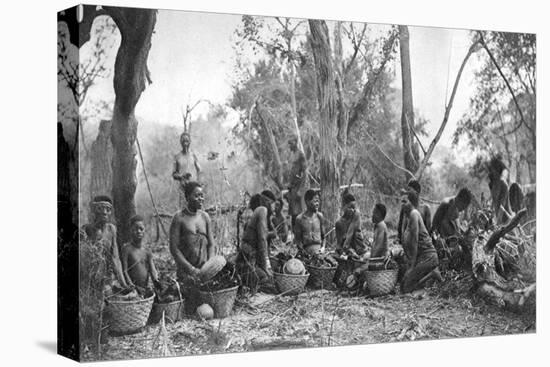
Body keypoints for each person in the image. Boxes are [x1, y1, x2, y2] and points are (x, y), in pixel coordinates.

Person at [169, 182, 217, 312]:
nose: (201, 199)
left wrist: (209, 265)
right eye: (196, 196)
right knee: (192, 307)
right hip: (187, 273)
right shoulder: (179, 218)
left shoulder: (205, 217)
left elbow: (211, 244)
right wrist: (190, 269)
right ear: (187, 197)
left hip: (204, 271)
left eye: (202, 195)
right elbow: (174, 249)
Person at [81, 195, 127, 291]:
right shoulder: (86, 230)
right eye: (100, 209)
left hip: (107, 277)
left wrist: (124, 284)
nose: (104, 212)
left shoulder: (111, 229)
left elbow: (115, 258)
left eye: (108, 209)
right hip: (90, 277)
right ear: (94, 210)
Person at [400, 191, 441, 293]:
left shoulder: (414, 214)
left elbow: (414, 241)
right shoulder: (408, 216)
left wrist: (412, 265)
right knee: (403, 285)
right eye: (401, 201)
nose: (402, 204)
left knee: (406, 288)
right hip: (420, 257)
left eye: (405, 201)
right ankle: (427, 278)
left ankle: (433, 274)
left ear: (411, 202)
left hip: (428, 256)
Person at [237, 192, 276, 292]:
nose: (275, 207)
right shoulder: (262, 210)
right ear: (268, 202)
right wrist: (266, 266)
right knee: (267, 279)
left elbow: (273, 234)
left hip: (255, 259)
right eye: (273, 204)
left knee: (275, 272)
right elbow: (262, 240)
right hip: (247, 261)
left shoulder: (266, 216)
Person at [121, 215, 159, 295]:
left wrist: (156, 281)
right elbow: (124, 271)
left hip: (144, 288)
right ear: (130, 230)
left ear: (144, 230)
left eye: (141, 229)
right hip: (132, 290)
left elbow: (152, 270)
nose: (138, 231)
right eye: (135, 229)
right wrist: (131, 286)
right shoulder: (127, 249)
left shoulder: (147, 250)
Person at [173, 132, 201, 207]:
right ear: (181, 142)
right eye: (183, 141)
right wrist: (182, 176)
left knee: (195, 207)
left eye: (187, 141)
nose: (185, 143)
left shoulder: (193, 155)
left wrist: (199, 183)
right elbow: (174, 174)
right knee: (184, 209)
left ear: (189, 142)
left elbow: (199, 170)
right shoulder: (177, 157)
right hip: (183, 188)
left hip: (194, 188)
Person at [335, 191, 367, 257]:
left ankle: (359, 253)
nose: (352, 210)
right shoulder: (338, 223)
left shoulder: (356, 214)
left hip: (358, 247)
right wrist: (341, 251)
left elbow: (350, 232)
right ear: (343, 206)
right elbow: (339, 243)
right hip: (347, 249)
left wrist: (346, 248)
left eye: (354, 207)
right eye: (350, 207)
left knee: (356, 234)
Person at [294, 189, 325, 255]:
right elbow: (298, 240)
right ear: (307, 202)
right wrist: (303, 252)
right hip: (306, 253)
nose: (317, 204)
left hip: (319, 252)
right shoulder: (299, 219)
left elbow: (323, 237)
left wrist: (323, 248)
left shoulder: (320, 216)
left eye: (318, 201)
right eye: (315, 201)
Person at [488, 156, 510, 225]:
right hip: (497, 217)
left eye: (494, 168)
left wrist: (498, 221)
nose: (493, 171)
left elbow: (502, 205)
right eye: (492, 169)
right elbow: (494, 202)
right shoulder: (491, 184)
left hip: (506, 218)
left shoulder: (503, 184)